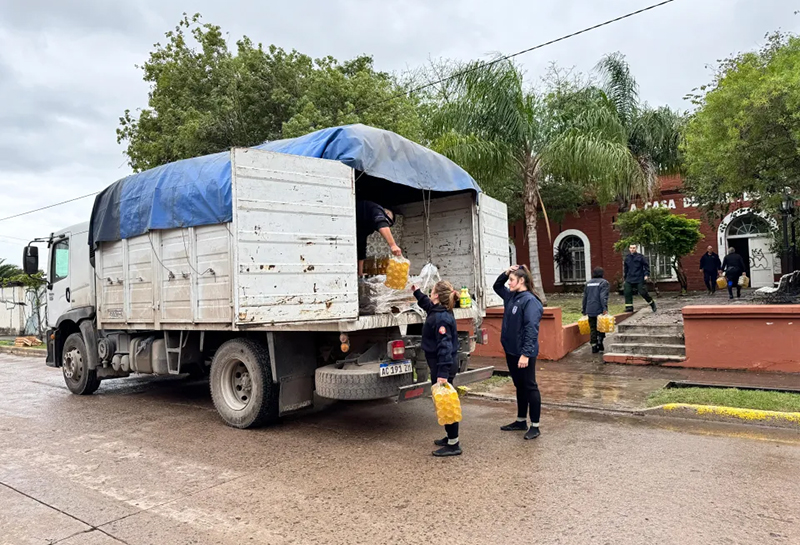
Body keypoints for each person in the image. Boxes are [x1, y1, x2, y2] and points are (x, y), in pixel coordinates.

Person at [493, 264, 544, 440]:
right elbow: (496, 287)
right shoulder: (511, 297)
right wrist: (506, 273)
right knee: (519, 386)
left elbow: (531, 328)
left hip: (523, 353)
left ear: (521, 281)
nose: (509, 283)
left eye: (512, 280)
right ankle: (521, 420)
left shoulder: (530, 301)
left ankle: (535, 425)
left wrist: (526, 354)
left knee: (530, 386)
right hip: (511, 350)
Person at [412, 280, 461, 457]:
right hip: (441, 364)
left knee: (447, 403)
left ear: (437, 296)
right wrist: (416, 291)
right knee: (443, 402)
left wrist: (442, 374)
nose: (429, 293)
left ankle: (454, 444)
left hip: (444, 365)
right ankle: (450, 437)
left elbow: (445, 347)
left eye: (431, 291)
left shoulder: (441, 318)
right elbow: (426, 304)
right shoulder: (438, 310)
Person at [356, 200, 402, 276]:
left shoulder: (368, 226)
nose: (386, 224)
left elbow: (361, 247)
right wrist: (393, 245)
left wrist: (360, 272)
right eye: (387, 222)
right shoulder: (376, 208)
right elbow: (381, 222)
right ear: (386, 214)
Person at [582, 267, 610, 354]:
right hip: (599, 309)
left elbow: (585, 298)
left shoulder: (588, 283)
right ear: (602, 273)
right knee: (601, 327)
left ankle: (594, 346)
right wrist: (604, 308)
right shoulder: (604, 283)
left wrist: (584, 309)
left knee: (593, 328)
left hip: (590, 309)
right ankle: (600, 342)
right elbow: (603, 297)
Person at [623, 244, 656, 313]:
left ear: (636, 248)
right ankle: (629, 307)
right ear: (629, 249)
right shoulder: (627, 258)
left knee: (643, 292)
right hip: (629, 278)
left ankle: (652, 303)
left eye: (634, 248)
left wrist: (646, 274)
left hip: (639, 278)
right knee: (627, 291)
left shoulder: (641, 257)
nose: (632, 249)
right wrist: (625, 277)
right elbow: (625, 269)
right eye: (631, 248)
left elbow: (646, 266)